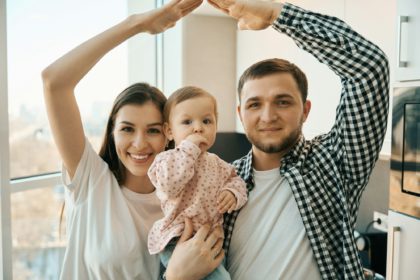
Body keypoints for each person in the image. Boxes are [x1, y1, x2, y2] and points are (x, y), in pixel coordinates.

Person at [206, 0, 390, 279]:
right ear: (241, 114)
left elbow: (369, 68)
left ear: (305, 110)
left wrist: (275, 14)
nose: (268, 116)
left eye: (282, 102)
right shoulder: (221, 181)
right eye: (255, 104)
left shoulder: (335, 162)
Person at [41, 0, 226, 279]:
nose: (139, 144)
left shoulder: (187, 198)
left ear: (168, 133)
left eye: (152, 130)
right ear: (112, 131)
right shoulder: (92, 181)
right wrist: (137, 24)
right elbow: (54, 82)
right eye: (127, 129)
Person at [147, 86, 248, 279]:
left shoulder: (218, 164)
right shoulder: (166, 160)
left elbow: (237, 182)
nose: (198, 127)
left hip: (210, 239)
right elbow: (170, 186)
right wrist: (189, 149)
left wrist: (233, 193)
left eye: (207, 121)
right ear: (169, 131)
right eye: (187, 122)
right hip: (178, 239)